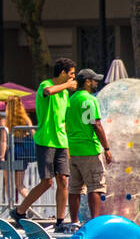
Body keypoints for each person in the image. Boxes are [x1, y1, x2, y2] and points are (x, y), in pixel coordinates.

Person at [9, 58, 76, 230]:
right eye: (71, 74)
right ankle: (20, 211)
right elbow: (49, 91)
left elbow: (64, 120)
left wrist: (67, 146)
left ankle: (60, 221)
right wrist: (67, 86)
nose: (73, 78)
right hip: (45, 140)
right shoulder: (45, 85)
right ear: (62, 73)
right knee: (47, 182)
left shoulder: (66, 94)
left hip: (61, 141)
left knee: (63, 181)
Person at [66, 68, 113, 226]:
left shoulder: (71, 100)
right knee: (96, 186)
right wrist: (106, 148)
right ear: (87, 82)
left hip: (74, 150)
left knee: (75, 188)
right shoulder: (90, 99)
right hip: (90, 149)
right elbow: (97, 124)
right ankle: (95, 224)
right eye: (94, 80)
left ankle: (74, 222)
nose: (96, 83)